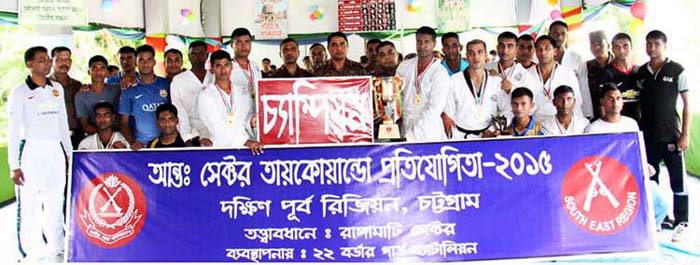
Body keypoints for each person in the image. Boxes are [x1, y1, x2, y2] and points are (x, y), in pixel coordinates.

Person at [8, 46, 72, 262]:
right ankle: (31, 252)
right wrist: (13, 165)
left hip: (55, 150)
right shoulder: (20, 92)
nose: (46, 63)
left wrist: (69, 155)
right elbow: (14, 130)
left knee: (55, 201)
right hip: (31, 152)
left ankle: (57, 247)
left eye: (47, 60)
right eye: (41, 60)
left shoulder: (57, 89)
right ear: (30, 64)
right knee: (29, 205)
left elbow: (63, 123)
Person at [584, 83, 671, 230]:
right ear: (602, 102)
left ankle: (649, 230)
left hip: (631, 175)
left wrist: (645, 165)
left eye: (618, 98)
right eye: (610, 99)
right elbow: (591, 160)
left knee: (662, 202)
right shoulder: (593, 128)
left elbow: (637, 151)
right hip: (605, 179)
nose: (615, 102)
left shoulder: (631, 124)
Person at [638, 30, 691, 242]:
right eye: (649, 44)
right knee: (651, 180)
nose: (652, 48)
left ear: (664, 46)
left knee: (678, 181)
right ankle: (659, 219)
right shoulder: (642, 72)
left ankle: (682, 222)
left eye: (656, 44)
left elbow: (687, 104)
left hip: (671, 137)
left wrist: (684, 135)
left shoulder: (677, 70)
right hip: (648, 137)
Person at [197, 50, 263, 154]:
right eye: (218, 66)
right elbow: (216, 127)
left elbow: (245, 119)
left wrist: (251, 122)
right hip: (220, 148)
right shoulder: (206, 95)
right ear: (212, 69)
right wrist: (245, 142)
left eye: (226, 65)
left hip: (245, 149)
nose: (223, 70)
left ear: (231, 67)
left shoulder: (242, 92)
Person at [442, 39, 510, 139]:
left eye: (480, 52)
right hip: (460, 136)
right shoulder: (454, 81)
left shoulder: (496, 81)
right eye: (471, 53)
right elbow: (449, 113)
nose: (476, 57)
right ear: (466, 56)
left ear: (486, 55)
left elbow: (507, 109)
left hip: (489, 136)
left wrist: (494, 129)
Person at [396, 26, 449, 142]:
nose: (422, 46)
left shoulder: (440, 72)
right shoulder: (404, 66)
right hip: (406, 123)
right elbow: (397, 97)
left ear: (434, 44)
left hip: (429, 129)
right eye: (419, 42)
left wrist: (413, 134)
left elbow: (435, 108)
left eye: (426, 42)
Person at [118, 45, 170, 151]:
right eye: (141, 60)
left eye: (149, 59)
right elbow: (123, 123)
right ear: (136, 63)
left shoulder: (166, 84)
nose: (145, 64)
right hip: (143, 147)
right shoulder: (128, 89)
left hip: (166, 144)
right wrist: (133, 142)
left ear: (154, 62)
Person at [170, 40, 213, 147]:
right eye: (193, 54)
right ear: (188, 56)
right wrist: (187, 137)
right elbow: (180, 111)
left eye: (200, 53)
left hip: (216, 130)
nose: (197, 57)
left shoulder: (215, 77)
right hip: (193, 131)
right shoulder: (179, 80)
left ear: (207, 55)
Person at [531, 35, 583, 121]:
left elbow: (577, 101)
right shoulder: (527, 74)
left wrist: (574, 122)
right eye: (539, 49)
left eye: (547, 48)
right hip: (535, 122)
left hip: (560, 121)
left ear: (555, 51)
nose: (543, 52)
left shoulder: (567, 73)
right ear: (535, 52)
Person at [549, 21, 589, 118]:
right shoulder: (540, 57)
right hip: (548, 109)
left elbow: (584, 86)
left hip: (572, 109)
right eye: (555, 33)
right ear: (549, 34)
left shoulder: (576, 58)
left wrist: (587, 112)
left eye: (563, 34)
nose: (559, 37)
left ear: (567, 36)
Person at [75, 55, 121, 135]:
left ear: (107, 72)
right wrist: (105, 135)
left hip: (117, 136)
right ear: (89, 71)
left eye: (102, 68)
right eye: (94, 68)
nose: (98, 72)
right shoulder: (81, 95)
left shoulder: (117, 90)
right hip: (93, 138)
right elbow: (85, 125)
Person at [599, 33, 640, 122]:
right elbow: (602, 104)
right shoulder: (607, 73)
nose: (621, 50)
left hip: (639, 123)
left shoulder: (640, 71)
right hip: (617, 124)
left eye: (625, 46)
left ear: (631, 47)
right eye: (617, 47)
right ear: (612, 49)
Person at [49, 46, 84, 148]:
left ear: (71, 62)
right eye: (59, 59)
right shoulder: (45, 85)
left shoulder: (77, 85)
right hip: (54, 137)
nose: (64, 63)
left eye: (67, 59)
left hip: (76, 137)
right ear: (52, 61)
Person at [486, 31, 537, 96]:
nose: (505, 50)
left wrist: (511, 89)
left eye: (510, 46)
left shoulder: (525, 75)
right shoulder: (486, 69)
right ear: (497, 48)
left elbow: (529, 99)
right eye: (502, 46)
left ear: (516, 49)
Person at [581, 30, 613, 119]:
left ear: (608, 45)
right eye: (593, 44)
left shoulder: (617, 64)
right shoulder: (586, 67)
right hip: (594, 116)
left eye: (600, 44)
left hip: (617, 116)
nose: (597, 47)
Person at [230, 28, 262, 96]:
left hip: (255, 106)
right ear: (231, 44)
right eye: (239, 42)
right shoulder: (227, 68)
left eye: (247, 42)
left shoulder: (255, 66)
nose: (243, 46)